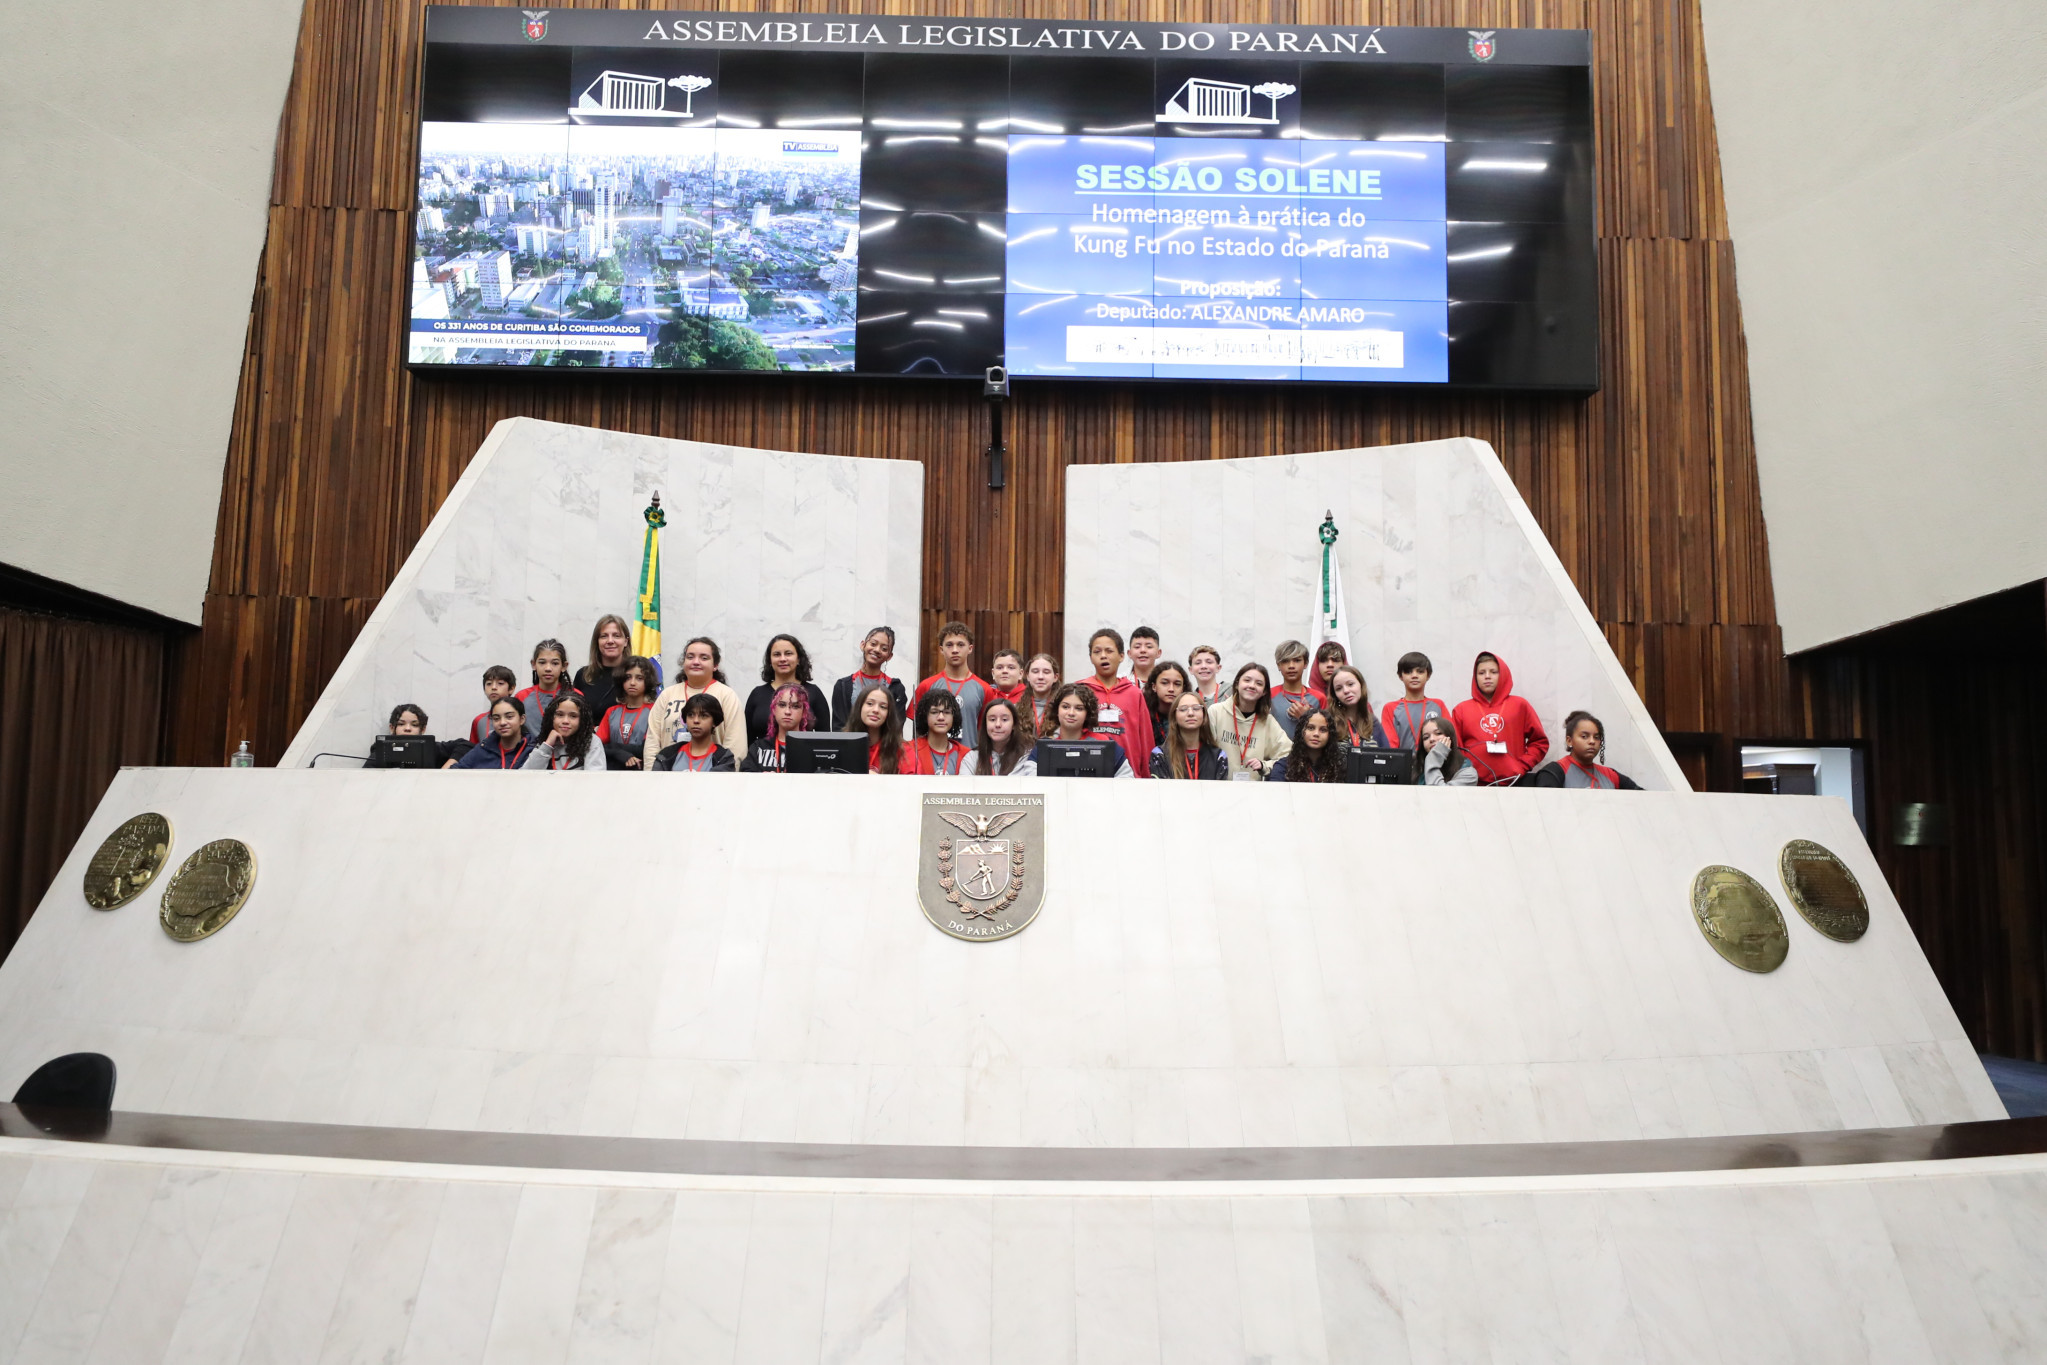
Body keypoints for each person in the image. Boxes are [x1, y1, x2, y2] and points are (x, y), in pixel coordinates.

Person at [645, 637, 746, 764]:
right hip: (668, 777)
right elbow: (652, 742)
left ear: (715, 665)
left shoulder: (726, 696)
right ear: (683, 662)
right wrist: (652, 776)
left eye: (704, 658)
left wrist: (725, 778)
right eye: (690, 657)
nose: (696, 662)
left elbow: (736, 746)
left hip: (712, 777)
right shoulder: (667, 695)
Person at [1452, 651, 1549, 785]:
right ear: (1475, 677)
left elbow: (1539, 742)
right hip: (1473, 784)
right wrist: (1467, 770)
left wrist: (1522, 765)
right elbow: (1457, 748)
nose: (1487, 677)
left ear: (1502, 674)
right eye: (1481, 673)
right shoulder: (1461, 709)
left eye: (1493, 672)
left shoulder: (1520, 705)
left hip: (1514, 782)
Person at [1079, 628, 1155, 778]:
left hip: (1128, 776)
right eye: (1097, 651)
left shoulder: (1134, 693)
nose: (1103, 656)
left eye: (1109, 651)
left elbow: (1145, 740)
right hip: (1086, 772)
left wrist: (1147, 779)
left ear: (1121, 656)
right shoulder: (1080, 690)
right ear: (1090, 657)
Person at [912, 621, 991, 747]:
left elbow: (986, 729)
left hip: (969, 759)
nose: (955, 650)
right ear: (941, 650)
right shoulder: (927, 686)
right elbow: (917, 727)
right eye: (949, 645)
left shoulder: (984, 689)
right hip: (932, 760)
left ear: (970, 648)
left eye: (960, 645)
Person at [1207, 662, 1291, 780]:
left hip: (1253, 792)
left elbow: (1289, 755)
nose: (1252, 686)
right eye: (1247, 680)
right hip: (1217, 788)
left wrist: (1264, 765)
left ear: (1264, 691)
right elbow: (1204, 752)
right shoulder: (1216, 712)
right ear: (1237, 684)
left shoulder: (1267, 721)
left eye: (1259, 683)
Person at [745, 634, 831, 744]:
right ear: (770, 661)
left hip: (803, 758)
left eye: (788, 653)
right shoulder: (757, 694)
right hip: (762, 759)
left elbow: (825, 739)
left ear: (799, 659)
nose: (782, 659)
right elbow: (748, 738)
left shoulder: (814, 693)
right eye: (777, 654)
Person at [1528, 712, 1642, 789]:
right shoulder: (1554, 772)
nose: (1592, 741)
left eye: (1596, 737)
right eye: (1584, 736)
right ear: (1569, 741)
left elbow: (1643, 798)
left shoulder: (1612, 775)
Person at [1041, 682, 1132, 777]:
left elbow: (1126, 779)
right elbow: (1030, 781)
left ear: (1088, 714)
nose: (1071, 713)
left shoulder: (1104, 744)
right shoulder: (1044, 747)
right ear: (1056, 710)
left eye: (1079, 708)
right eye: (1065, 707)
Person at [830, 626, 908, 732]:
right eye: (873, 644)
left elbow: (896, 728)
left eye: (884, 649)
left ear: (889, 656)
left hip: (883, 747)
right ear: (863, 645)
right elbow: (838, 727)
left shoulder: (896, 688)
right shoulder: (843, 686)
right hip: (851, 746)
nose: (877, 650)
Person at [596, 656, 658, 770]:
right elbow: (596, 746)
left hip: (641, 771)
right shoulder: (612, 712)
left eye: (639, 678)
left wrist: (614, 748)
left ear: (647, 681)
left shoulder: (654, 711)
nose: (632, 683)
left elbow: (646, 748)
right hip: (612, 770)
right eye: (628, 677)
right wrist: (620, 754)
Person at [1380, 652, 1451, 751]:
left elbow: (1449, 738)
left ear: (1428, 675)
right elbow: (1390, 746)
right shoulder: (1390, 708)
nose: (1414, 675)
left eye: (1420, 671)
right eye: (1408, 672)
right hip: (1404, 764)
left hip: (1436, 762)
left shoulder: (1438, 705)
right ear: (1400, 676)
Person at [651, 693, 737, 772]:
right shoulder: (667, 755)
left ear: (714, 722)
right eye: (691, 715)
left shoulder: (723, 758)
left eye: (704, 716)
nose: (695, 720)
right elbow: (656, 785)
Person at [1151, 690, 1227, 780]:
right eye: (1183, 709)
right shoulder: (1160, 755)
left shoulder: (1218, 756)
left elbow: (1219, 792)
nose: (1190, 713)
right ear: (1174, 717)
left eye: (1196, 708)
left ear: (1204, 715)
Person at [523, 692, 605, 770]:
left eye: (573, 716)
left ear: (582, 720)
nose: (565, 721)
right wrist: (547, 746)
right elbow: (525, 777)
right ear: (551, 717)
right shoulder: (545, 740)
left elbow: (595, 780)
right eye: (560, 715)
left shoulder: (591, 741)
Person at [742, 683, 813, 772]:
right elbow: (745, 777)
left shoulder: (813, 749)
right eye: (782, 705)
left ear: (804, 712)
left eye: (795, 706)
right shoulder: (758, 748)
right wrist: (762, 779)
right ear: (773, 709)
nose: (787, 712)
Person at [574, 614, 634, 719]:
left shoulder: (635, 677)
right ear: (597, 642)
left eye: (616, 635)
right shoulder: (583, 676)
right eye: (604, 636)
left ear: (625, 641)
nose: (610, 641)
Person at [960, 697, 1037, 776]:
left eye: (1004, 719)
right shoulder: (972, 757)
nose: (998, 725)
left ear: (1014, 724)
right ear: (985, 724)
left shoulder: (1026, 757)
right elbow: (965, 786)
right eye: (992, 719)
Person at [455, 696, 536, 769]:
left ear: (522, 719)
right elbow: (454, 772)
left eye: (509, 717)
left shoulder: (533, 750)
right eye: (496, 718)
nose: (502, 722)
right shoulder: (483, 748)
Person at [902, 689, 968, 776]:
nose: (941, 717)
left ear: (954, 717)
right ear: (925, 716)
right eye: (934, 712)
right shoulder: (910, 749)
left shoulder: (965, 754)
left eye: (947, 712)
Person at [1322, 664, 1389, 750]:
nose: (1346, 691)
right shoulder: (1327, 721)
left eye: (1350, 684)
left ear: (1361, 685)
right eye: (1339, 688)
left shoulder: (1372, 721)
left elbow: (1386, 756)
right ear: (1335, 695)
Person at [384, 703, 470, 768]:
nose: (407, 728)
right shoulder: (382, 748)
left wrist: (446, 770)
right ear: (392, 728)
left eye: (414, 725)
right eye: (401, 724)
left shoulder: (431, 748)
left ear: (423, 729)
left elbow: (465, 745)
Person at [516, 639, 572, 738]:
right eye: (542, 663)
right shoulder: (522, 697)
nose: (548, 668)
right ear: (534, 664)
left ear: (564, 666)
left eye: (555, 663)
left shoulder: (574, 696)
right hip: (530, 752)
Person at [1271, 709, 1345, 783]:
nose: (1316, 734)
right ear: (1301, 731)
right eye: (1310, 728)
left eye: (1323, 730)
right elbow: (1275, 792)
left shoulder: (1338, 768)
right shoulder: (1283, 766)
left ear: (1330, 735)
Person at [1269, 640, 1317, 741]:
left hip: (1309, 755)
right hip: (1276, 755)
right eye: (1285, 661)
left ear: (1306, 663)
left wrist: (1306, 718)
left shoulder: (1319, 698)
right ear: (1278, 665)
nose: (1291, 666)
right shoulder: (1268, 695)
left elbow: (1326, 732)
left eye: (1297, 660)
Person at [1413, 714, 1477, 787]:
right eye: (1426, 737)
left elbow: (1439, 795)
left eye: (1438, 733)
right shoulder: (1415, 766)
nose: (1432, 739)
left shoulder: (1468, 773)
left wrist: (1434, 758)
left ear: (1450, 738)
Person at [853, 684, 905, 774]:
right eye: (870, 704)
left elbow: (912, 784)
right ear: (859, 707)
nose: (876, 710)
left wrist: (880, 781)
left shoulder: (902, 749)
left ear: (889, 714)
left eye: (883, 707)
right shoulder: (843, 744)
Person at [467, 665, 518, 744]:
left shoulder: (518, 717)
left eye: (500, 683)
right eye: (489, 684)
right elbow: (472, 750)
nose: (493, 687)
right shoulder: (479, 720)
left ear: (511, 689)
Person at [1143, 660, 1191, 739]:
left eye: (1177, 684)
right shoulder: (1143, 715)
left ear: (1183, 688)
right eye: (1165, 683)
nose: (1171, 689)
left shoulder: (1191, 714)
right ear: (1154, 686)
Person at [1023, 653, 1061, 734]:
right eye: (1035, 671)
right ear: (1028, 676)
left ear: (1055, 677)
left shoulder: (1063, 708)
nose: (1040, 677)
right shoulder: (1015, 709)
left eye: (1046, 672)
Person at [1309, 640, 1348, 706]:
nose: (1330, 665)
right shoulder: (1307, 700)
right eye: (1324, 661)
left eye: (1335, 660)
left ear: (1344, 664)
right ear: (1317, 665)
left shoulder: (1355, 699)